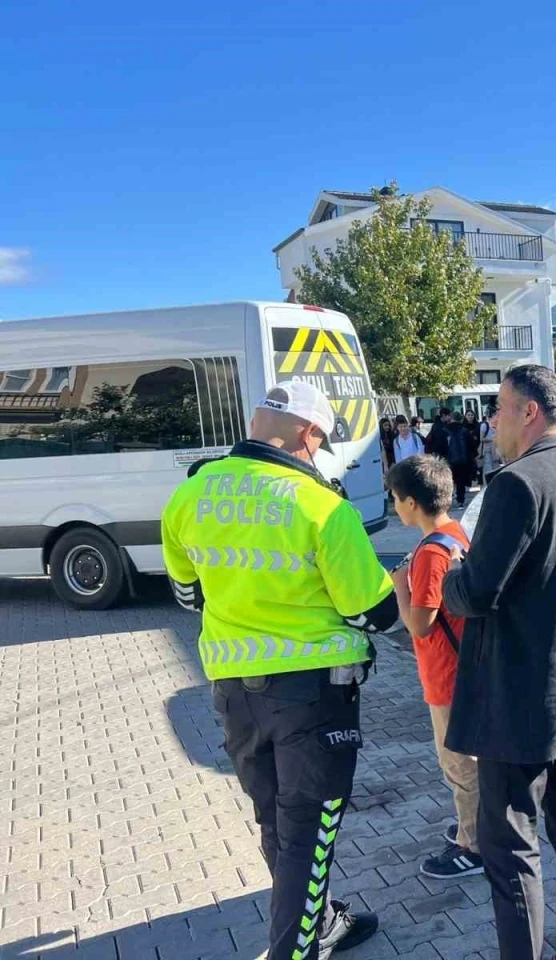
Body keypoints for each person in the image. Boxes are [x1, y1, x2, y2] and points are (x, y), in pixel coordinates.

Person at [161, 379, 396, 960]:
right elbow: (374, 612)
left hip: (233, 694)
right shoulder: (322, 507)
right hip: (313, 697)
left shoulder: (189, 498)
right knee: (307, 838)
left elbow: (188, 597)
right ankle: (299, 946)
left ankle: (323, 921)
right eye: (320, 442)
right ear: (308, 434)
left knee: (276, 820)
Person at [443, 364, 556, 960]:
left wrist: (448, 580)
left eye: (499, 409)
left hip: (518, 695)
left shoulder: (517, 485)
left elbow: (480, 589)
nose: (491, 423)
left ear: (529, 413)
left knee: (510, 844)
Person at [386, 454, 483, 879]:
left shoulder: (429, 554)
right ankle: (473, 825)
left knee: (459, 765)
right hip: (467, 668)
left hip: (446, 675)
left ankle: (474, 846)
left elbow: (420, 625)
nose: (393, 505)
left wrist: (398, 588)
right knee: (469, 761)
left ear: (410, 503)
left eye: (394, 498)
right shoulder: (454, 532)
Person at [444, 413, 474, 506]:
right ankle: (460, 500)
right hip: (463, 461)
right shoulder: (465, 431)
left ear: (451, 419)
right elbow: (471, 447)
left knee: (449, 481)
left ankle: (447, 501)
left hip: (449, 460)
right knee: (460, 482)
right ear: (461, 419)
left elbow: (441, 446)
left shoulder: (445, 430)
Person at [479, 409, 503, 485]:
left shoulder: (497, 424)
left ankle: (495, 485)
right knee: (487, 468)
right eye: (496, 414)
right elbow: (482, 438)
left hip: (496, 449)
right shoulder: (484, 425)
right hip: (487, 450)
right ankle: (486, 486)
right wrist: (493, 439)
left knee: (496, 468)